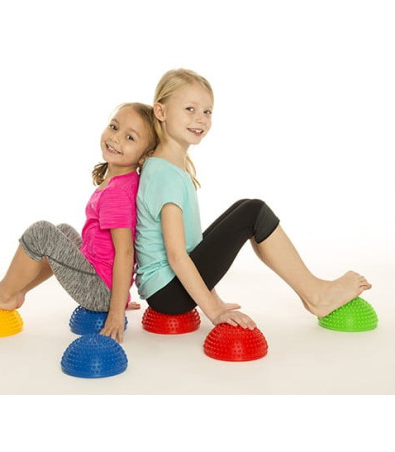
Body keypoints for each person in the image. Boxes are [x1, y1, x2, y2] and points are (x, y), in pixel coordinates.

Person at [134, 69, 372, 329]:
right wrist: (215, 311)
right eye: (190, 109)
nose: (201, 119)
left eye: (207, 111)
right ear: (161, 111)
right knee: (253, 212)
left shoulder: (168, 167)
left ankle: (313, 293)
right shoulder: (165, 175)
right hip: (168, 293)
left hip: (168, 290)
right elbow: (177, 256)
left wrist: (216, 299)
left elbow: (194, 247)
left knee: (244, 207)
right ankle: (316, 295)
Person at [0, 102, 158, 343]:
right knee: (64, 231)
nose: (116, 138)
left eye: (130, 137)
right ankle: (19, 291)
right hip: (103, 281)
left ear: (145, 156)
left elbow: (125, 252)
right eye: (114, 127)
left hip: (99, 289)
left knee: (41, 233)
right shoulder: (124, 181)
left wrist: (115, 310)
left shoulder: (116, 192)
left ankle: (4, 293)